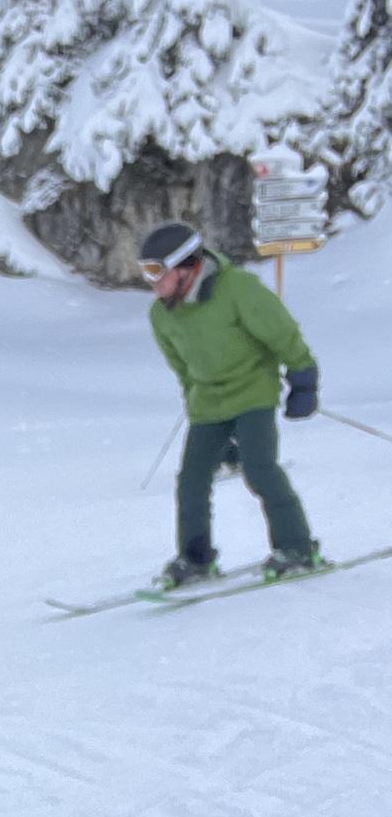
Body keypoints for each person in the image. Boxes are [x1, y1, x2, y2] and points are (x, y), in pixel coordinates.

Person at [140, 221, 324, 588]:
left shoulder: (236, 289)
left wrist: (303, 376)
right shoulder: (162, 315)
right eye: (146, 271)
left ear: (187, 266)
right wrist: (193, 401)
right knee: (191, 480)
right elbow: (182, 367)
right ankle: (195, 559)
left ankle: (297, 547)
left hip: (253, 391)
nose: (151, 281)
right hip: (208, 403)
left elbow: (280, 330)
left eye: (156, 271)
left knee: (260, 469)